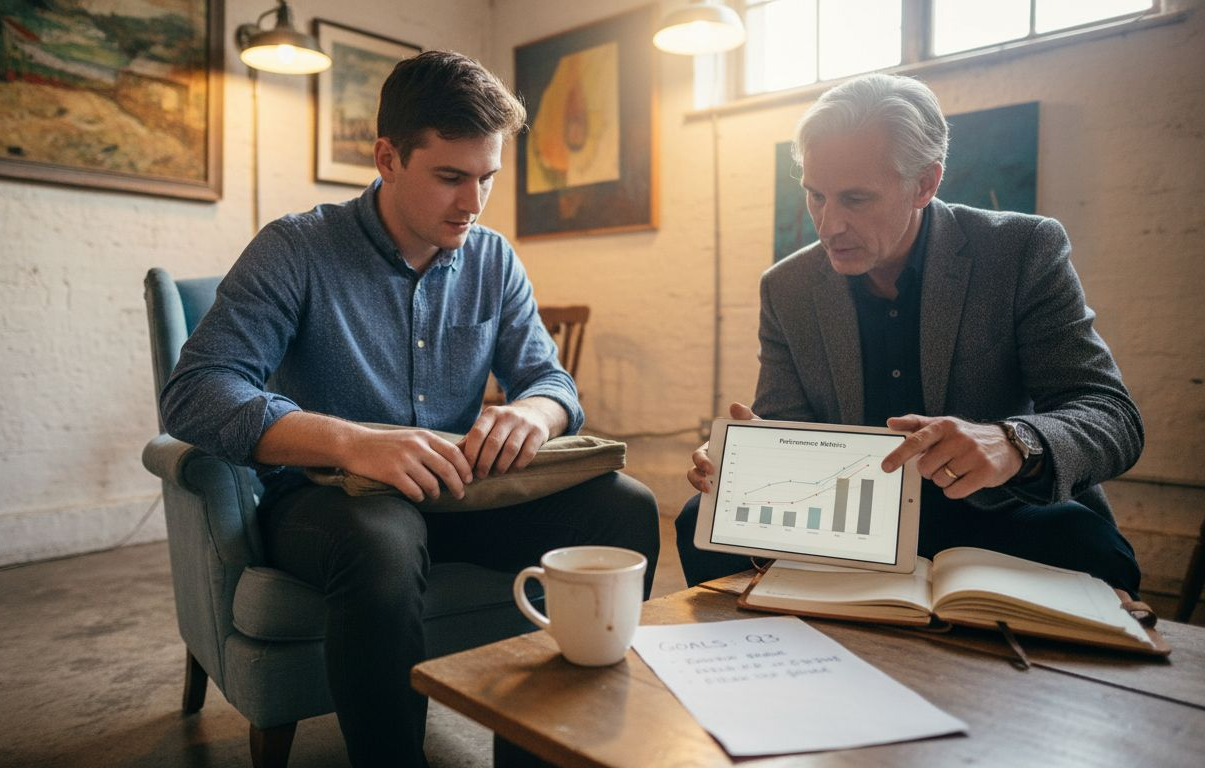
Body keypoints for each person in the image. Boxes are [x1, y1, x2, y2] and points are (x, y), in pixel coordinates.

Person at [161, 51, 659, 767]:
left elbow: (551, 383)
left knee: (626, 507)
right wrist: (351, 442)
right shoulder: (297, 248)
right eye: (451, 177)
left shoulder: (493, 259)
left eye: (486, 177)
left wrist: (536, 414)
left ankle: (545, 750)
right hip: (328, 504)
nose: (474, 202)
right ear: (387, 158)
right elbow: (197, 391)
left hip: (457, 494)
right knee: (382, 540)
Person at [676, 73, 1142, 596]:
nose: (828, 225)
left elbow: (1112, 416)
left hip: (999, 510)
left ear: (924, 184)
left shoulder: (1020, 250)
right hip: (845, 519)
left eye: (854, 199)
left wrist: (1014, 442)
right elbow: (788, 425)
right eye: (816, 196)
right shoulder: (787, 287)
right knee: (700, 522)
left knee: (1091, 551)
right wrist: (746, 462)